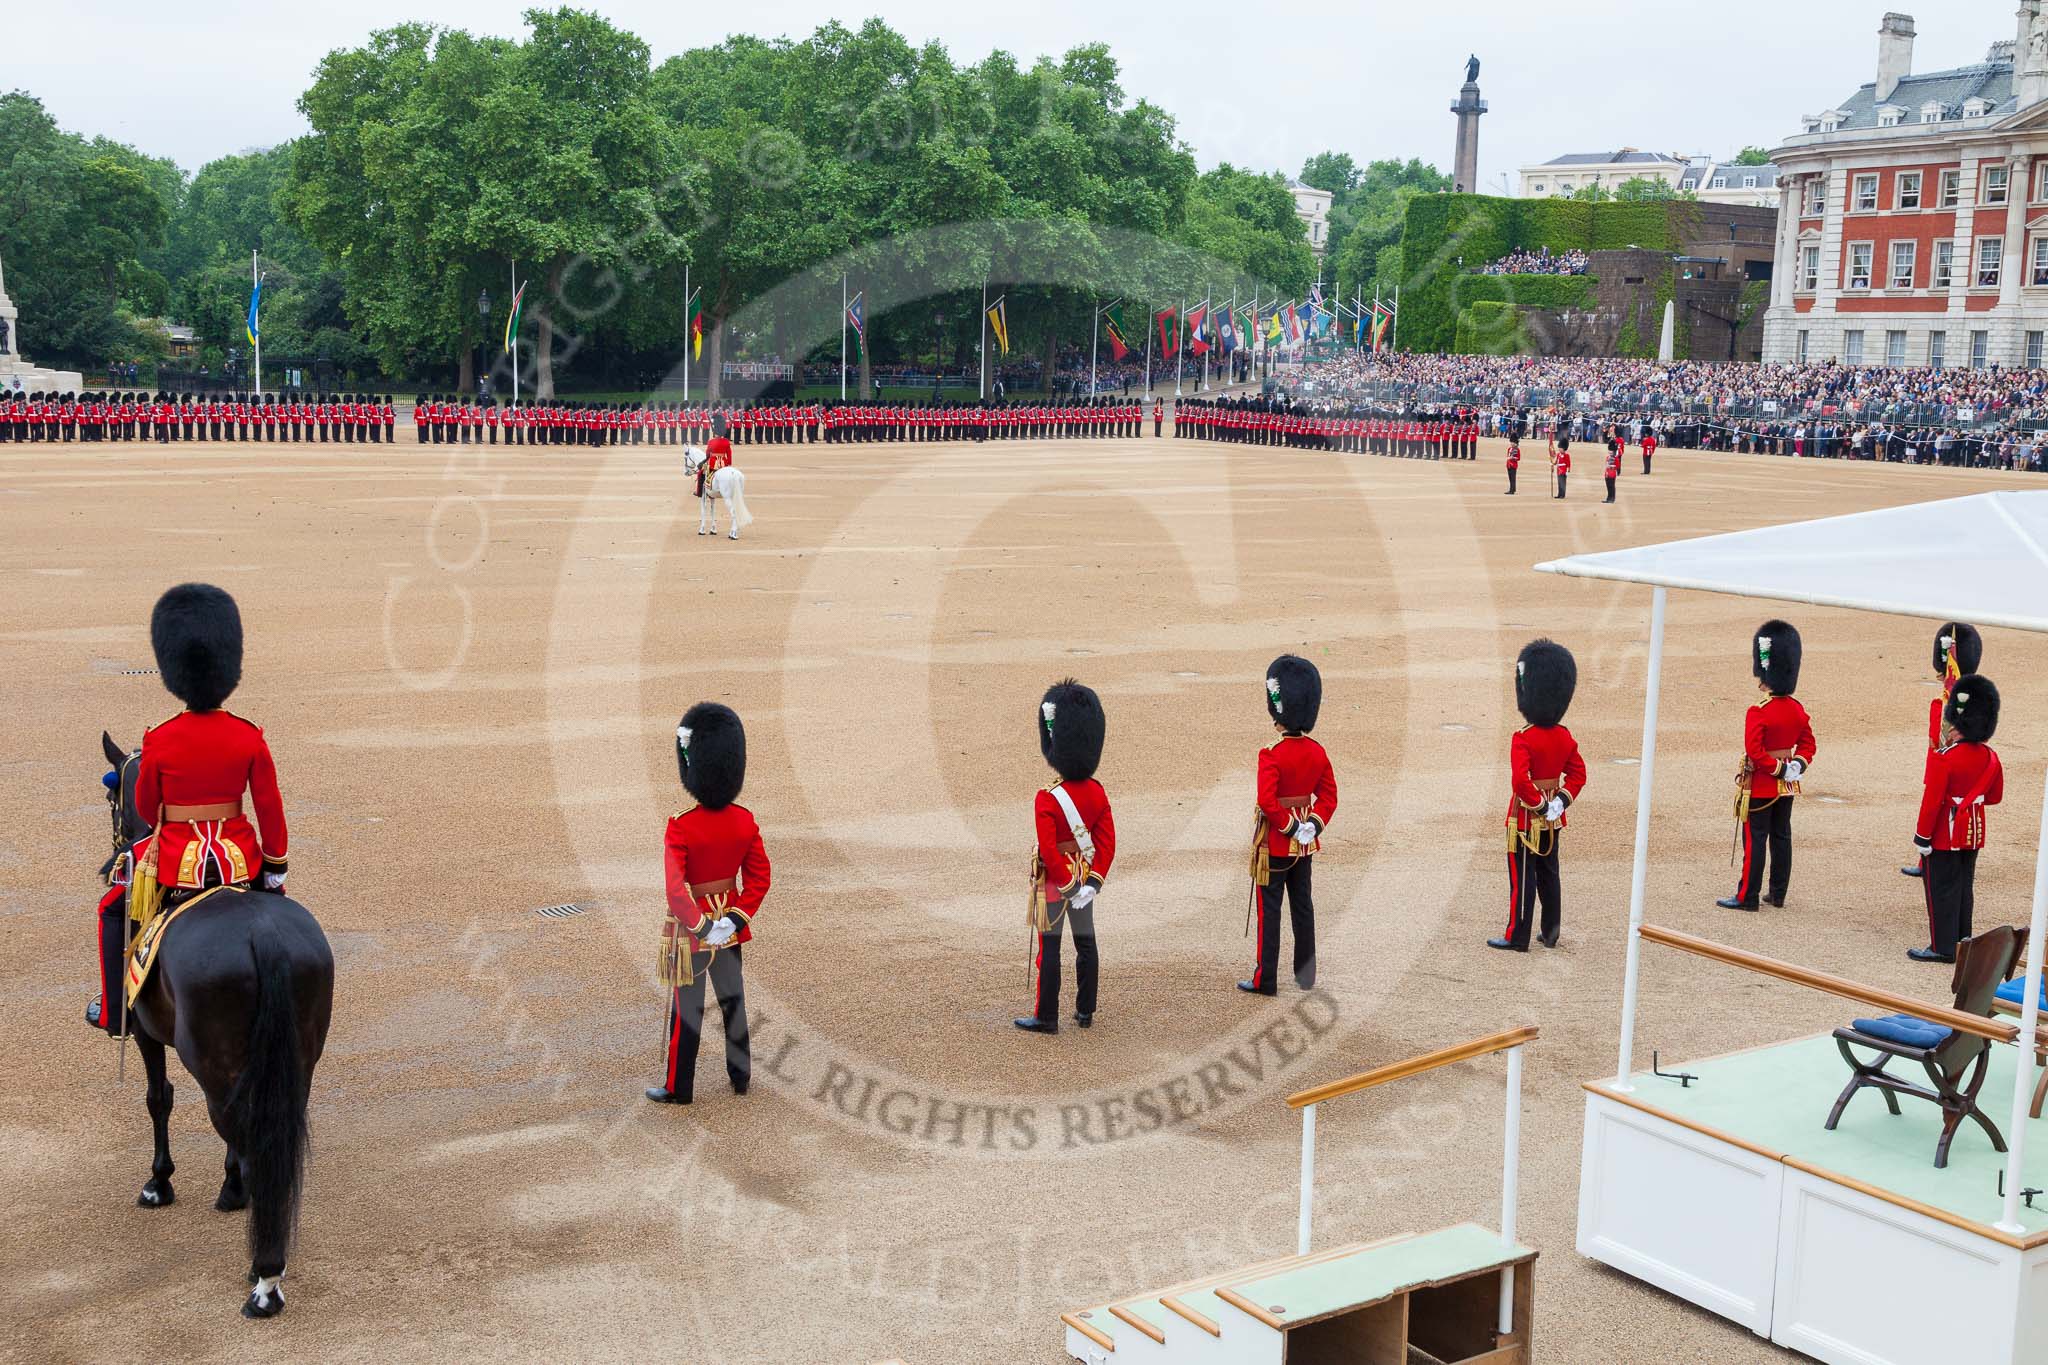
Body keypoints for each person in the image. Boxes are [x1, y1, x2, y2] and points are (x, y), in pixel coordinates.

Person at [89, 584, 289, 1034]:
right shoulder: (248, 735)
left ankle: (115, 1012)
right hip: (240, 860)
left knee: (112, 908)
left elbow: (146, 806)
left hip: (176, 861)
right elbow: (269, 807)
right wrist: (275, 867)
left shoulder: (160, 738)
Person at [649, 702, 769, 1104]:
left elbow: (675, 890)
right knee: (734, 1002)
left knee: (687, 1012)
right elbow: (759, 877)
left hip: (692, 932)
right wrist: (732, 920)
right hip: (730, 930)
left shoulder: (682, 825)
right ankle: (741, 1077)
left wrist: (703, 926)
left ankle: (678, 1087)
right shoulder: (744, 820)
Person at [1017, 680, 1115, 1034]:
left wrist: (1068, 886)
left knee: (1051, 950)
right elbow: (1107, 844)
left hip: (1057, 884)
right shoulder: (1097, 793)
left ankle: (1047, 1016)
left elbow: (1048, 850)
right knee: (1086, 944)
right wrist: (1091, 884)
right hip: (1085, 878)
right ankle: (1085, 1011)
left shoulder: (1048, 798)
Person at [1240, 655, 1337, 996]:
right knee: (1303, 908)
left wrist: (1290, 827)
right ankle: (1306, 975)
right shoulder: (1316, 751)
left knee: (1270, 912)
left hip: (1276, 843)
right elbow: (1329, 797)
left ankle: (1264, 980)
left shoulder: (1271, 753)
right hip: (1304, 845)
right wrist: (1311, 825)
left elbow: (1268, 801)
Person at [1493, 640, 1586, 951]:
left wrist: (1540, 805)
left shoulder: (1523, 738)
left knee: (1523, 878)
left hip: (1525, 818)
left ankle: (1517, 936)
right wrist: (1558, 803)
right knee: (1549, 874)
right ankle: (1550, 932)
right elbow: (1578, 775)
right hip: (1552, 820)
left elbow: (1521, 782)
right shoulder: (1564, 737)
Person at [1719, 621, 1815, 911]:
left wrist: (1776, 769)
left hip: (1762, 784)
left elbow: (1755, 751)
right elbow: (1808, 745)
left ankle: (1747, 896)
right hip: (1787, 786)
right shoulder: (1797, 709)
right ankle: (1778, 893)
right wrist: (1795, 766)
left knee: (1755, 840)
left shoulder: (1758, 711)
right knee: (1782, 836)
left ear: (1767, 677)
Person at [1911, 675, 2002, 963]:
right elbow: (1994, 796)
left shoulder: (1945, 757)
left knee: (1941, 889)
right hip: (1973, 829)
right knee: (1963, 887)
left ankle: (1943, 947)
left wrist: (1922, 837)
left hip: (1944, 832)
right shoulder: (1990, 757)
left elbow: (1932, 802)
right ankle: (1963, 941)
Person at [1906, 623, 1983, 878]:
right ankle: (1926, 859)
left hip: (1952, 762)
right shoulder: (1945, 698)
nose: (1941, 674)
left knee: (1948, 813)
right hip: (1938, 760)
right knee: (1934, 813)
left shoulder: (1963, 701)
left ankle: (1943, 859)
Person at [1603, 433, 1621, 504]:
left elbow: (1618, 466)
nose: (1610, 452)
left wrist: (1617, 472)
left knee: (1612, 486)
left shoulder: (1616, 458)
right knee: (1608, 486)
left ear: (1614, 452)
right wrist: (1606, 473)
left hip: (1612, 473)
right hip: (1607, 473)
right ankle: (1608, 498)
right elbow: (1606, 466)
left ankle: (1612, 498)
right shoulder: (1607, 457)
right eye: (1609, 451)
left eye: (1611, 451)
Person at [1552, 433, 1570, 499]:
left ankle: (1563, 495)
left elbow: (1568, 463)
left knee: (1563, 483)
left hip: (1563, 470)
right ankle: (1559, 494)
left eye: (1561, 448)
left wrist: (1568, 470)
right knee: (1559, 483)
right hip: (1559, 470)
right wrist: (1552, 463)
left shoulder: (1566, 455)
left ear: (1564, 448)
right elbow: (1556, 462)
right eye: (1559, 448)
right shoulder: (1558, 454)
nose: (1559, 449)